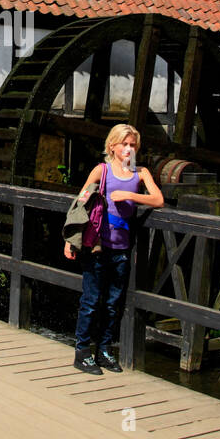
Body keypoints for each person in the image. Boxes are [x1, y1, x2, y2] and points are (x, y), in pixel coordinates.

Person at [63, 123, 163, 374]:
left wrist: (130, 196)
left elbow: (158, 199)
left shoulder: (141, 173)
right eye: (124, 144)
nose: (129, 149)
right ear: (112, 147)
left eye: (133, 145)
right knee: (91, 300)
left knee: (112, 302)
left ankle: (105, 350)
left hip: (122, 248)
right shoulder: (102, 171)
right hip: (97, 247)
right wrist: (70, 240)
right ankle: (82, 351)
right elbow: (81, 203)